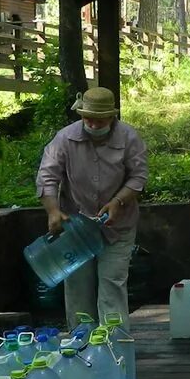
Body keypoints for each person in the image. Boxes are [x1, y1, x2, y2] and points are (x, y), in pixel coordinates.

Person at [36, 87, 148, 330]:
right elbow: (47, 176)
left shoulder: (129, 138)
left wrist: (118, 201)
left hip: (118, 227)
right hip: (75, 229)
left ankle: (115, 345)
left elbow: (138, 177)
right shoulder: (64, 139)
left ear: (111, 117)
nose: (93, 125)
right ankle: (81, 346)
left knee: (111, 285)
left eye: (99, 120)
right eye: (88, 119)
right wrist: (53, 211)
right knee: (77, 288)